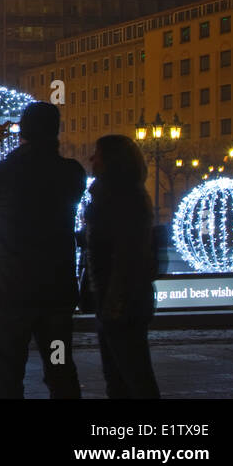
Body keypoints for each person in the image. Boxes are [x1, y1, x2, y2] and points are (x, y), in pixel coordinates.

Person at [0, 100, 86, 398]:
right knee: (60, 367)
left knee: (10, 372)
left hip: (9, 293)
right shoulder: (71, 173)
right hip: (55, 294)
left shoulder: (3, 175)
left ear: (21, 131)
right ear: (56, 131)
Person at [84, 135, 161, 398]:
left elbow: (128, 253)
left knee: (134, 376)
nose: (92, 158)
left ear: (112, 160)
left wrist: (114, 304)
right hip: (115, 299)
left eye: (98, 153)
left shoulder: (122, 197)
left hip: (122, 301)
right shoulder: (115, 194)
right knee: (119, 376)